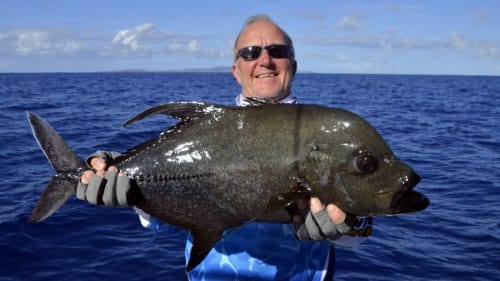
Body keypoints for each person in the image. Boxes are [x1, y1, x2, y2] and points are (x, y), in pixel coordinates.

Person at [77, 15, 372, 280]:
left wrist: (346, 226)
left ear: (292, 66)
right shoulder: (204, 132)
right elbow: (161, 218)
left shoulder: (330, 132)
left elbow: (361, 226)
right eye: (251, 53)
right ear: (236, 70)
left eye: (278, 51)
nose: (265, 60)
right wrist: (123, 182)